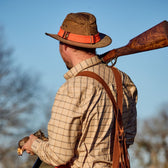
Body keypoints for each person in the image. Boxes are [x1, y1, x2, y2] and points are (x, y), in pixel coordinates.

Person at [22, 12, 137, 168]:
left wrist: (34, 145)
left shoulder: (72, 88)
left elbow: (58, 156)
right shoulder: (123, 79)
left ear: (65, 46)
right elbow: (127, 137)